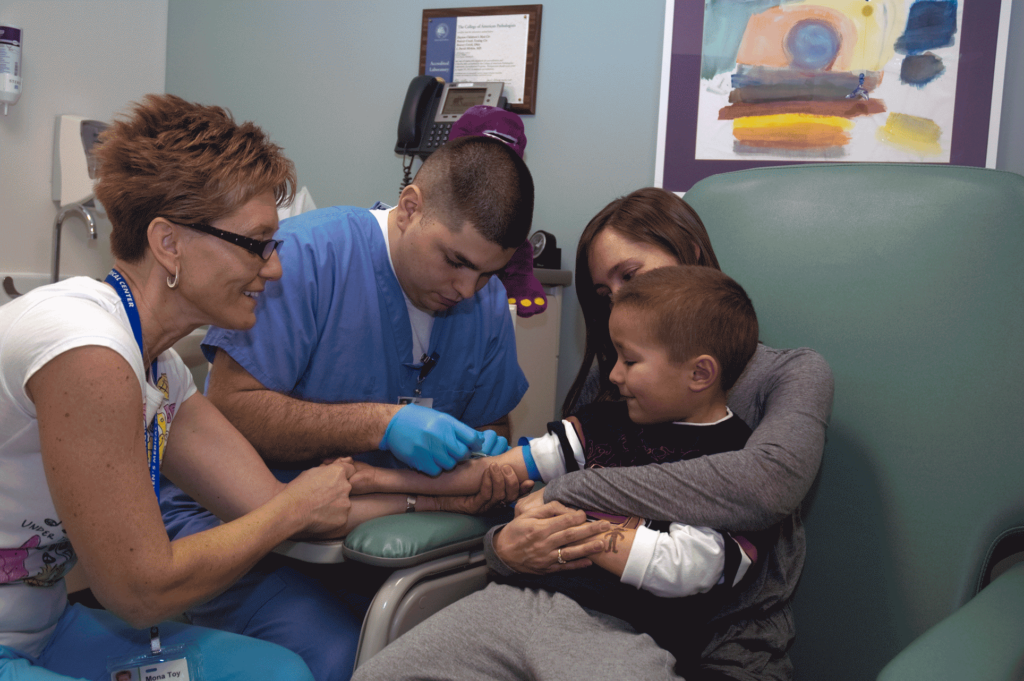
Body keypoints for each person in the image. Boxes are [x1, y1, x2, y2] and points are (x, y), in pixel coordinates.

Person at [351, 187, 834, 681]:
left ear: (689, 256)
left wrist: (572, 495)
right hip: (555, 606)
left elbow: (763, 486)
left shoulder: (790, 376)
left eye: (631, 275)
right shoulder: (619, 392)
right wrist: (502, 546)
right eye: (605, 295)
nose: (619, 304)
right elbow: (525, 494)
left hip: (719, 647)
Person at [0, 93, 358, 680]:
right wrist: (294, 509)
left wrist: (472, 483)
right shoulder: (85, 347)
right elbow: (140, 591)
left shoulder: (158, 366)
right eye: (257, 243)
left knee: (280, 673)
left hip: (42, 630)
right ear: (169, 243)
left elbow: (262, 498)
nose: (274, 268)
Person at [158, 133, 536, 680]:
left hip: (382, 543)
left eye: (486, 273)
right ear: (411, 208)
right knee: (338, 659)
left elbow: (492, 416)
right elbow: (230, 410)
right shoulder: (303, 258)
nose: (467, 289)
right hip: (246, 535)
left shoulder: (486, 305)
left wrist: (483, 448)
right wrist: (381, 424)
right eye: (455, 261)